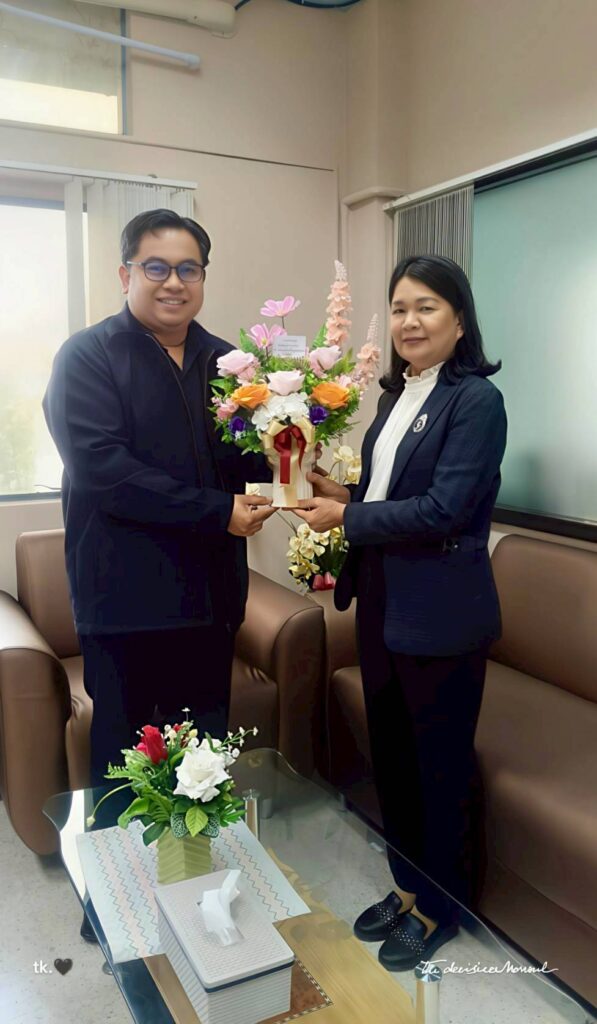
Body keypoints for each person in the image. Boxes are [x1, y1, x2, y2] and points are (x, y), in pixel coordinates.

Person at [294, 254, 507, 971]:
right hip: (384, 598)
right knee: (392, 757)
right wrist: (342, 497)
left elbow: (444, 509)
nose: (409, 322)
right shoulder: (396, 397)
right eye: (398, 309)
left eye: (426, 307)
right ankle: (409, 886)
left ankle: (441, 907)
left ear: (459, 320)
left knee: (437, 766)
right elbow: (391, 497)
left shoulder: (475, 401)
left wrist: (347, 520)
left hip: (441, 610)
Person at [43, 208, 274, 791]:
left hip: (212, 604)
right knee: (125, 774)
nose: (174, 282)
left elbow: (245, 464)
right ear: (126, 275)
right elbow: (105, 473)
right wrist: (220, 511)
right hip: (125, 608)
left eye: (188, 269)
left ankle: (197, 857)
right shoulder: (87, 356)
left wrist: (289, 453)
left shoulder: (230, 365)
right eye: (157, 267)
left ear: (203, 277)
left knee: (203, 769)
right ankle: (119, 858)